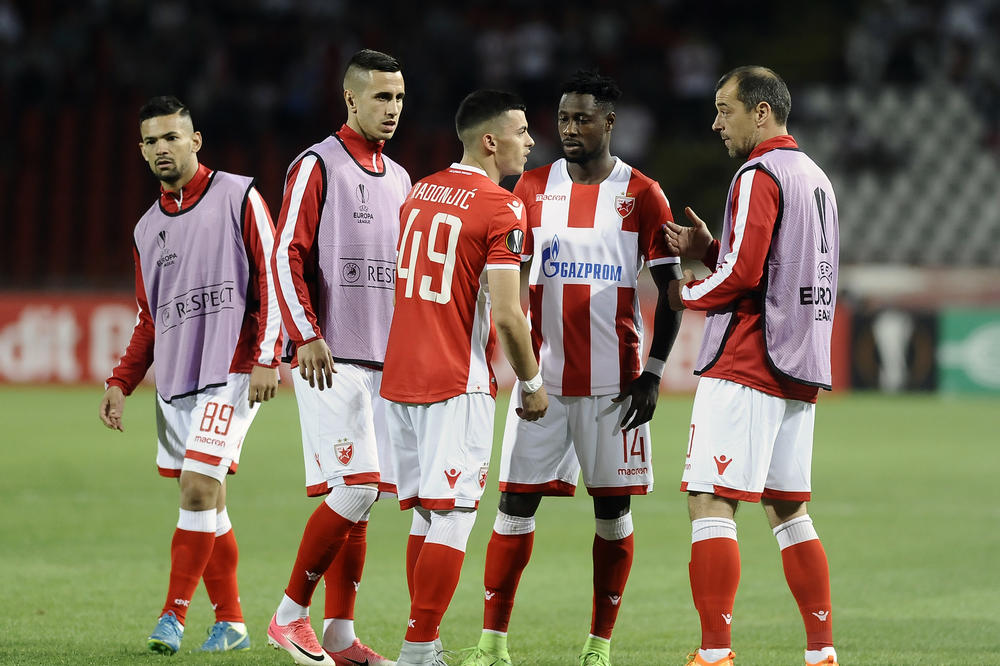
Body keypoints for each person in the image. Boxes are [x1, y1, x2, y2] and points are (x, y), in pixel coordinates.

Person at [459, 70, 683, 666]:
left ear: (609, 122)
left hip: (616, 388)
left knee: (613, 513)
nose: (570, 129)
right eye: (562, 118)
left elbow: (673, 293)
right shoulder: (529, 189)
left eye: (583, 118)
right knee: (512, 507)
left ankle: (597, 645)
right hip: (543, 384)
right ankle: (491, 644)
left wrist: (655, 372)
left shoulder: (643, 195)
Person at [663, 66, 840, 666]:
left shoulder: (757, 173)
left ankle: (714, 654)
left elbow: (745, 275)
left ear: (760, 112)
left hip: (749, 358)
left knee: (712, 499)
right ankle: (821, 653)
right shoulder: (815, 177)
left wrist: (683, 295)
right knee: (788, 507)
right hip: (800, 363)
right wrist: (710, 249)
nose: (716, 122)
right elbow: (774, 263)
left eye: (725, 109)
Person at [98, 95, 282, 655]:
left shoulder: (239, 195)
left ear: (195, 141)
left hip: (231, 368)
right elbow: (149, 317)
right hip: (176, 382)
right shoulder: (145, 228)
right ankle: (232, 622)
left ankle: (172, 614)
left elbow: (272, 278)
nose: (161, 148)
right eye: (151, 140)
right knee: (211, 501)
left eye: (172, 137)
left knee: (199, 488)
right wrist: (121, 381)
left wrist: (270, 356)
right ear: (141, 150)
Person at [379, 89, 549, 666]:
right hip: (457, 379)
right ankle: (417, 648)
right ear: (490, 140)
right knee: (454, 515)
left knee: (428, 512)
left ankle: (422, 647)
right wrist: (531, 384)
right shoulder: (502, 207)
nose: (530, 141)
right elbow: (507, 314)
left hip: (399, 377)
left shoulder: (418, 192)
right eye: (522, 131)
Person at [266, 49, 410, 666]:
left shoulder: (402, 179)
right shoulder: (316, 165)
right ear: (350, 100)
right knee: (353, 489)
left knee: (367, 495)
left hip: (384, 360)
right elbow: (284, 254)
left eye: (399, 98)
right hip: (331, 357)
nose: (393, 109)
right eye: (381, 97)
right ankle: (288, 615)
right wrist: (305, 335)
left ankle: (341, 636)